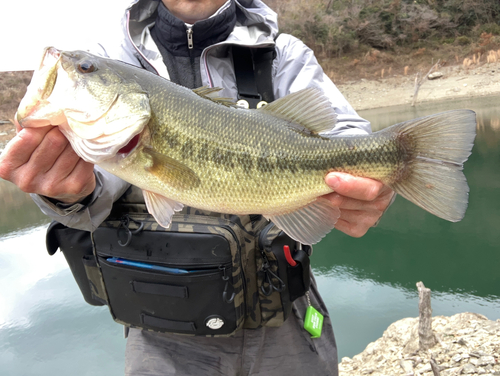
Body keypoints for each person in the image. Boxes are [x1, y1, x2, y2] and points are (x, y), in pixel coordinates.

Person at [0, 0, 395, 375]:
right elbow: (96, 194)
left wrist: (371, 185)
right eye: (86, 70)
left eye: (85, 70)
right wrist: (65, 192)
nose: (79, 70)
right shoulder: (110, 56)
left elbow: (347, 135)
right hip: (158, 329)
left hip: (282, 322)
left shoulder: (283, 53)